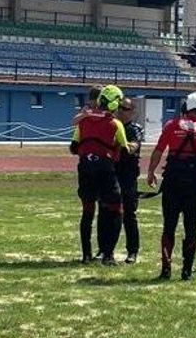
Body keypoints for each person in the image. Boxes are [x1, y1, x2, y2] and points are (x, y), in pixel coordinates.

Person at [147, 91, 196, 281]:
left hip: (172, 181)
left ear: (185, 108)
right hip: (195, 185)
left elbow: (158, 151)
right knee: (191, 227)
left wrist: (150, 172)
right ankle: (187, 271)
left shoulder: (172, 126)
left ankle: (166, 269)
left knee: (169, 226)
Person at [70, 84, 128, 265]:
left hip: (85, 170)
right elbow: (124, 150)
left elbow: (73, 147)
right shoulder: (115, 123)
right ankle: (108, 255)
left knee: (87, 212)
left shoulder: (83, 121)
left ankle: (86, 255)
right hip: (105, 172)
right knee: (115, 210)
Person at [113, 97, 144, 263]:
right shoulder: (111, 126)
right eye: (119, 107)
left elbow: (133, 148)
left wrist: (117, 145)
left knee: (129, 215)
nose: (120, 111)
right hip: (112, 173)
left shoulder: (135, 128)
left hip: (128, 175)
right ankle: (106, 250)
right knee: (109, 213)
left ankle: (132, 251)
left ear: (131, 111)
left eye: (124, 108)